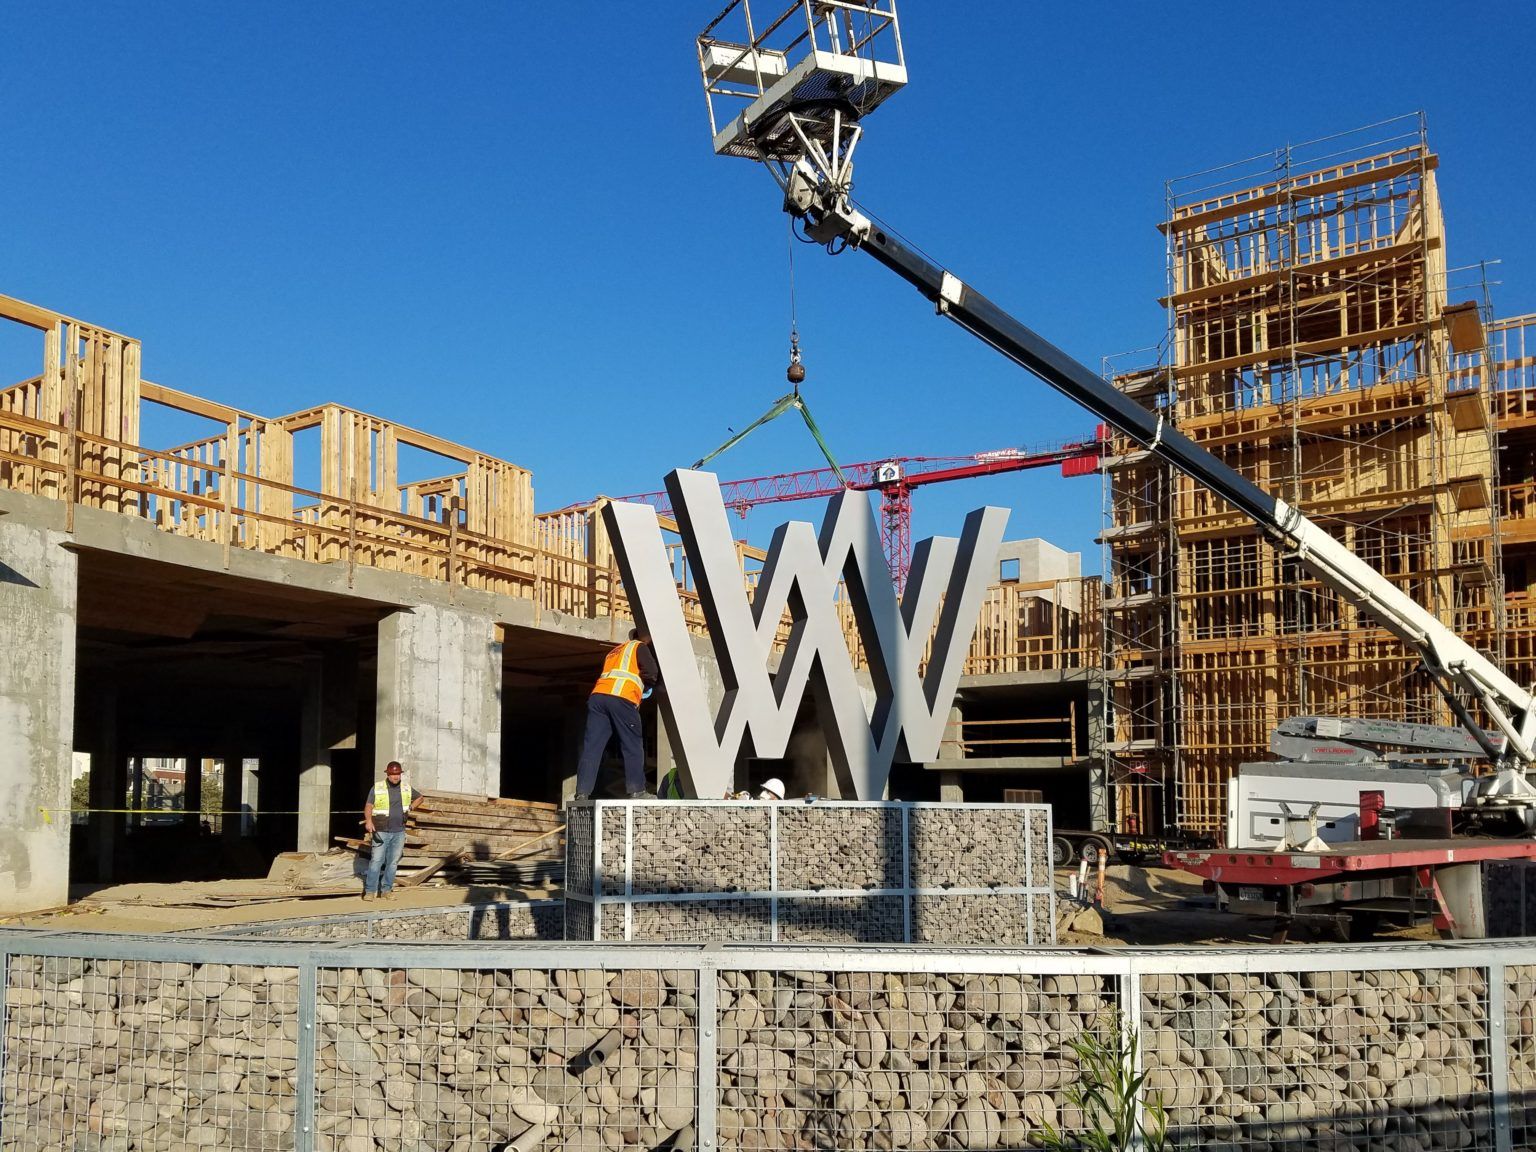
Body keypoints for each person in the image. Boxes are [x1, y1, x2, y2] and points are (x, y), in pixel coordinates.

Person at [574, 628, 660, 800]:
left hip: (598, 698)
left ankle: (582, 793)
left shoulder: (614, 651)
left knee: (592, 748)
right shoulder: (639, 647)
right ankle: (637, 790)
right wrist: (648, 685)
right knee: (632, 744)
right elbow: (651, 672)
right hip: (621, 697)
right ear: (645, 638)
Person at [362, 760, 419, 900]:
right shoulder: (377, 787)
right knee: (376, 861)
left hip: (399, 831)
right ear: (388, 774)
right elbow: (369, 805)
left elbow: (420, 798)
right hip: (381, 830)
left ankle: (387, 890)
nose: (396, 777)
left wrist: (411, 808)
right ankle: (370, 891)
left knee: (392, 863)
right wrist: (369, 821)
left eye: (398, 774)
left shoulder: (406, 788)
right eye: (393, 774)